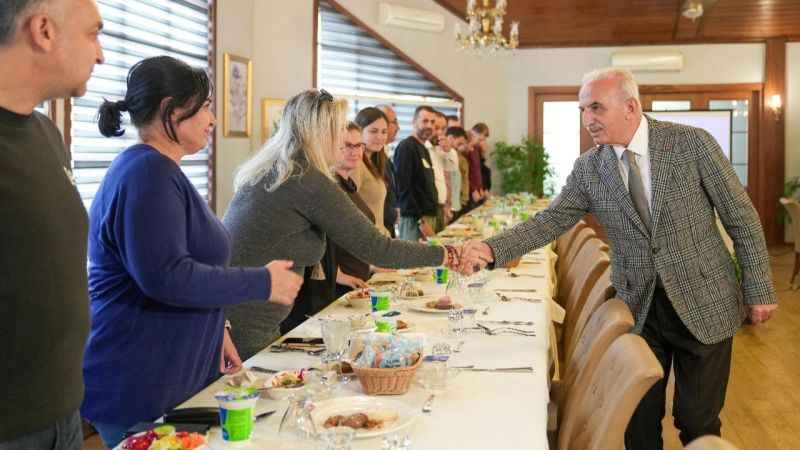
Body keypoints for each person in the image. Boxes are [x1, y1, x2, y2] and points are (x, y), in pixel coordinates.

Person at [458, 67, 778, 450]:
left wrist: (759, 288)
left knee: (698, 422)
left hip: (706, 298)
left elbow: (740, 217)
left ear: (630, 106)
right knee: (638, 424)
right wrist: (492, 249)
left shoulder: (692, 144)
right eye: (582, 110)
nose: (587, 119)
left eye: (596, 107)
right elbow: (552, 220)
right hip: (639, 306)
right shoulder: (590, 167)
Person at [81, 56, 303, 448]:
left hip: (172, 373)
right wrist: (261, 281)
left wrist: (219, 329)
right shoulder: (146, 173)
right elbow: (168, 275)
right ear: (170, 110)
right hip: (140, 378)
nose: (212, 118)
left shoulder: (161, 171)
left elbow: (185, 263)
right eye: (203, 107)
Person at [223, 90, 460, 360]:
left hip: (239, 316)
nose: (343, 141)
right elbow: (378, 248)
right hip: (245, 326)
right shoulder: (306, 178)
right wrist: (446, 254)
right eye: (339, 129)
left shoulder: (278, 168)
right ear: (322, 132)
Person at [0, 1, 103, 448]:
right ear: (43, 30)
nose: (100, 54)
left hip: (63, 415)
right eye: (93, 33)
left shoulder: (45, 133)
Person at [332, 122, 375, 298]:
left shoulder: (348, 184)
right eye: (347, 145)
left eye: (358, 145)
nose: (354, 151)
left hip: (359, 279)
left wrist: (372, 265)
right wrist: (338, 275)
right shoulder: (329, 187)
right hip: (338, 288)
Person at [393, 105, 439, 241]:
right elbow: (403, 187)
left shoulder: (423, 148)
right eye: (425, 121)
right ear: (414, 122)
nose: (429, 125)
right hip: (414, 220)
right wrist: (421, 221)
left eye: (432, 122)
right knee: (413, 262)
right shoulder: (407, 147)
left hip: (426, 218)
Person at [352, 107, 390, 236]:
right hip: (367, 244)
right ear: (359, 131)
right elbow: (349, 210)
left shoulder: (373, 162)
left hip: (379, 241)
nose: (380, 137)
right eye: (373, 131)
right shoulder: (356, 164)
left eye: (384, 132)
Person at [376, 104, 400, 237]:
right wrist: (393, 214)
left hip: (389, 226)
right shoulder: (367, 159)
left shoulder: (384, 154)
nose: (398, 128)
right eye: (394, 122)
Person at [428, 111, 451, 229]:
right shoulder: (424, 148)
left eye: (443, 128)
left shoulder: (439, 149)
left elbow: (450, 174)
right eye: (437, 128)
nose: (440, 132)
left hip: (441, 207)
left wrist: (448, 151)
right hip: (428, 211)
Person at [442, 127, 469, 221]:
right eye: (459, 143)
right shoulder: (442, 154)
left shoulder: (458, 156)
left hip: (456, 202)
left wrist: (463, 199)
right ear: (450, 138)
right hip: (447, 205)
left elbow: (462, 180)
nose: (460, 146)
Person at [466, 123, 486, 209]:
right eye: (480, 139)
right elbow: (468, 172)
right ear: (473, 133)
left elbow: (478, 171)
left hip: (477, 190)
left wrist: (480, 187)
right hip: (470, 190)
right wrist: (473, 189)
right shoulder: (467, 150)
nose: (481, 142)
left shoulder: (476, 149)